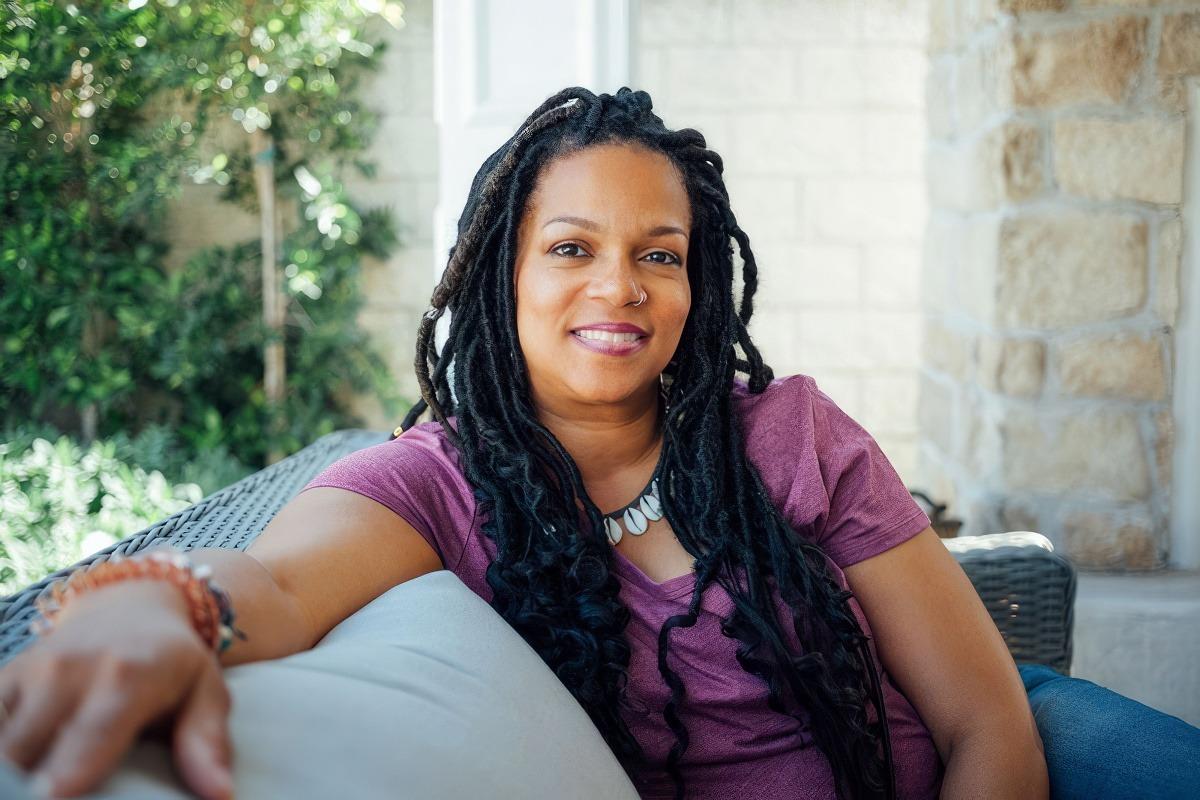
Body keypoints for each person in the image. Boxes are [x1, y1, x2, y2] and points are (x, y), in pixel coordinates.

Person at [12, 85, 1179, 800]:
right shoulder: (435, 483)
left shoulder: (784, 432)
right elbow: (266, 579)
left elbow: (987, 720)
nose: (618, 286)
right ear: (501, 272)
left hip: (1022, 747)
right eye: (571, 246)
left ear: (698, 281)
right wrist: (149, 605)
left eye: (658, 252)